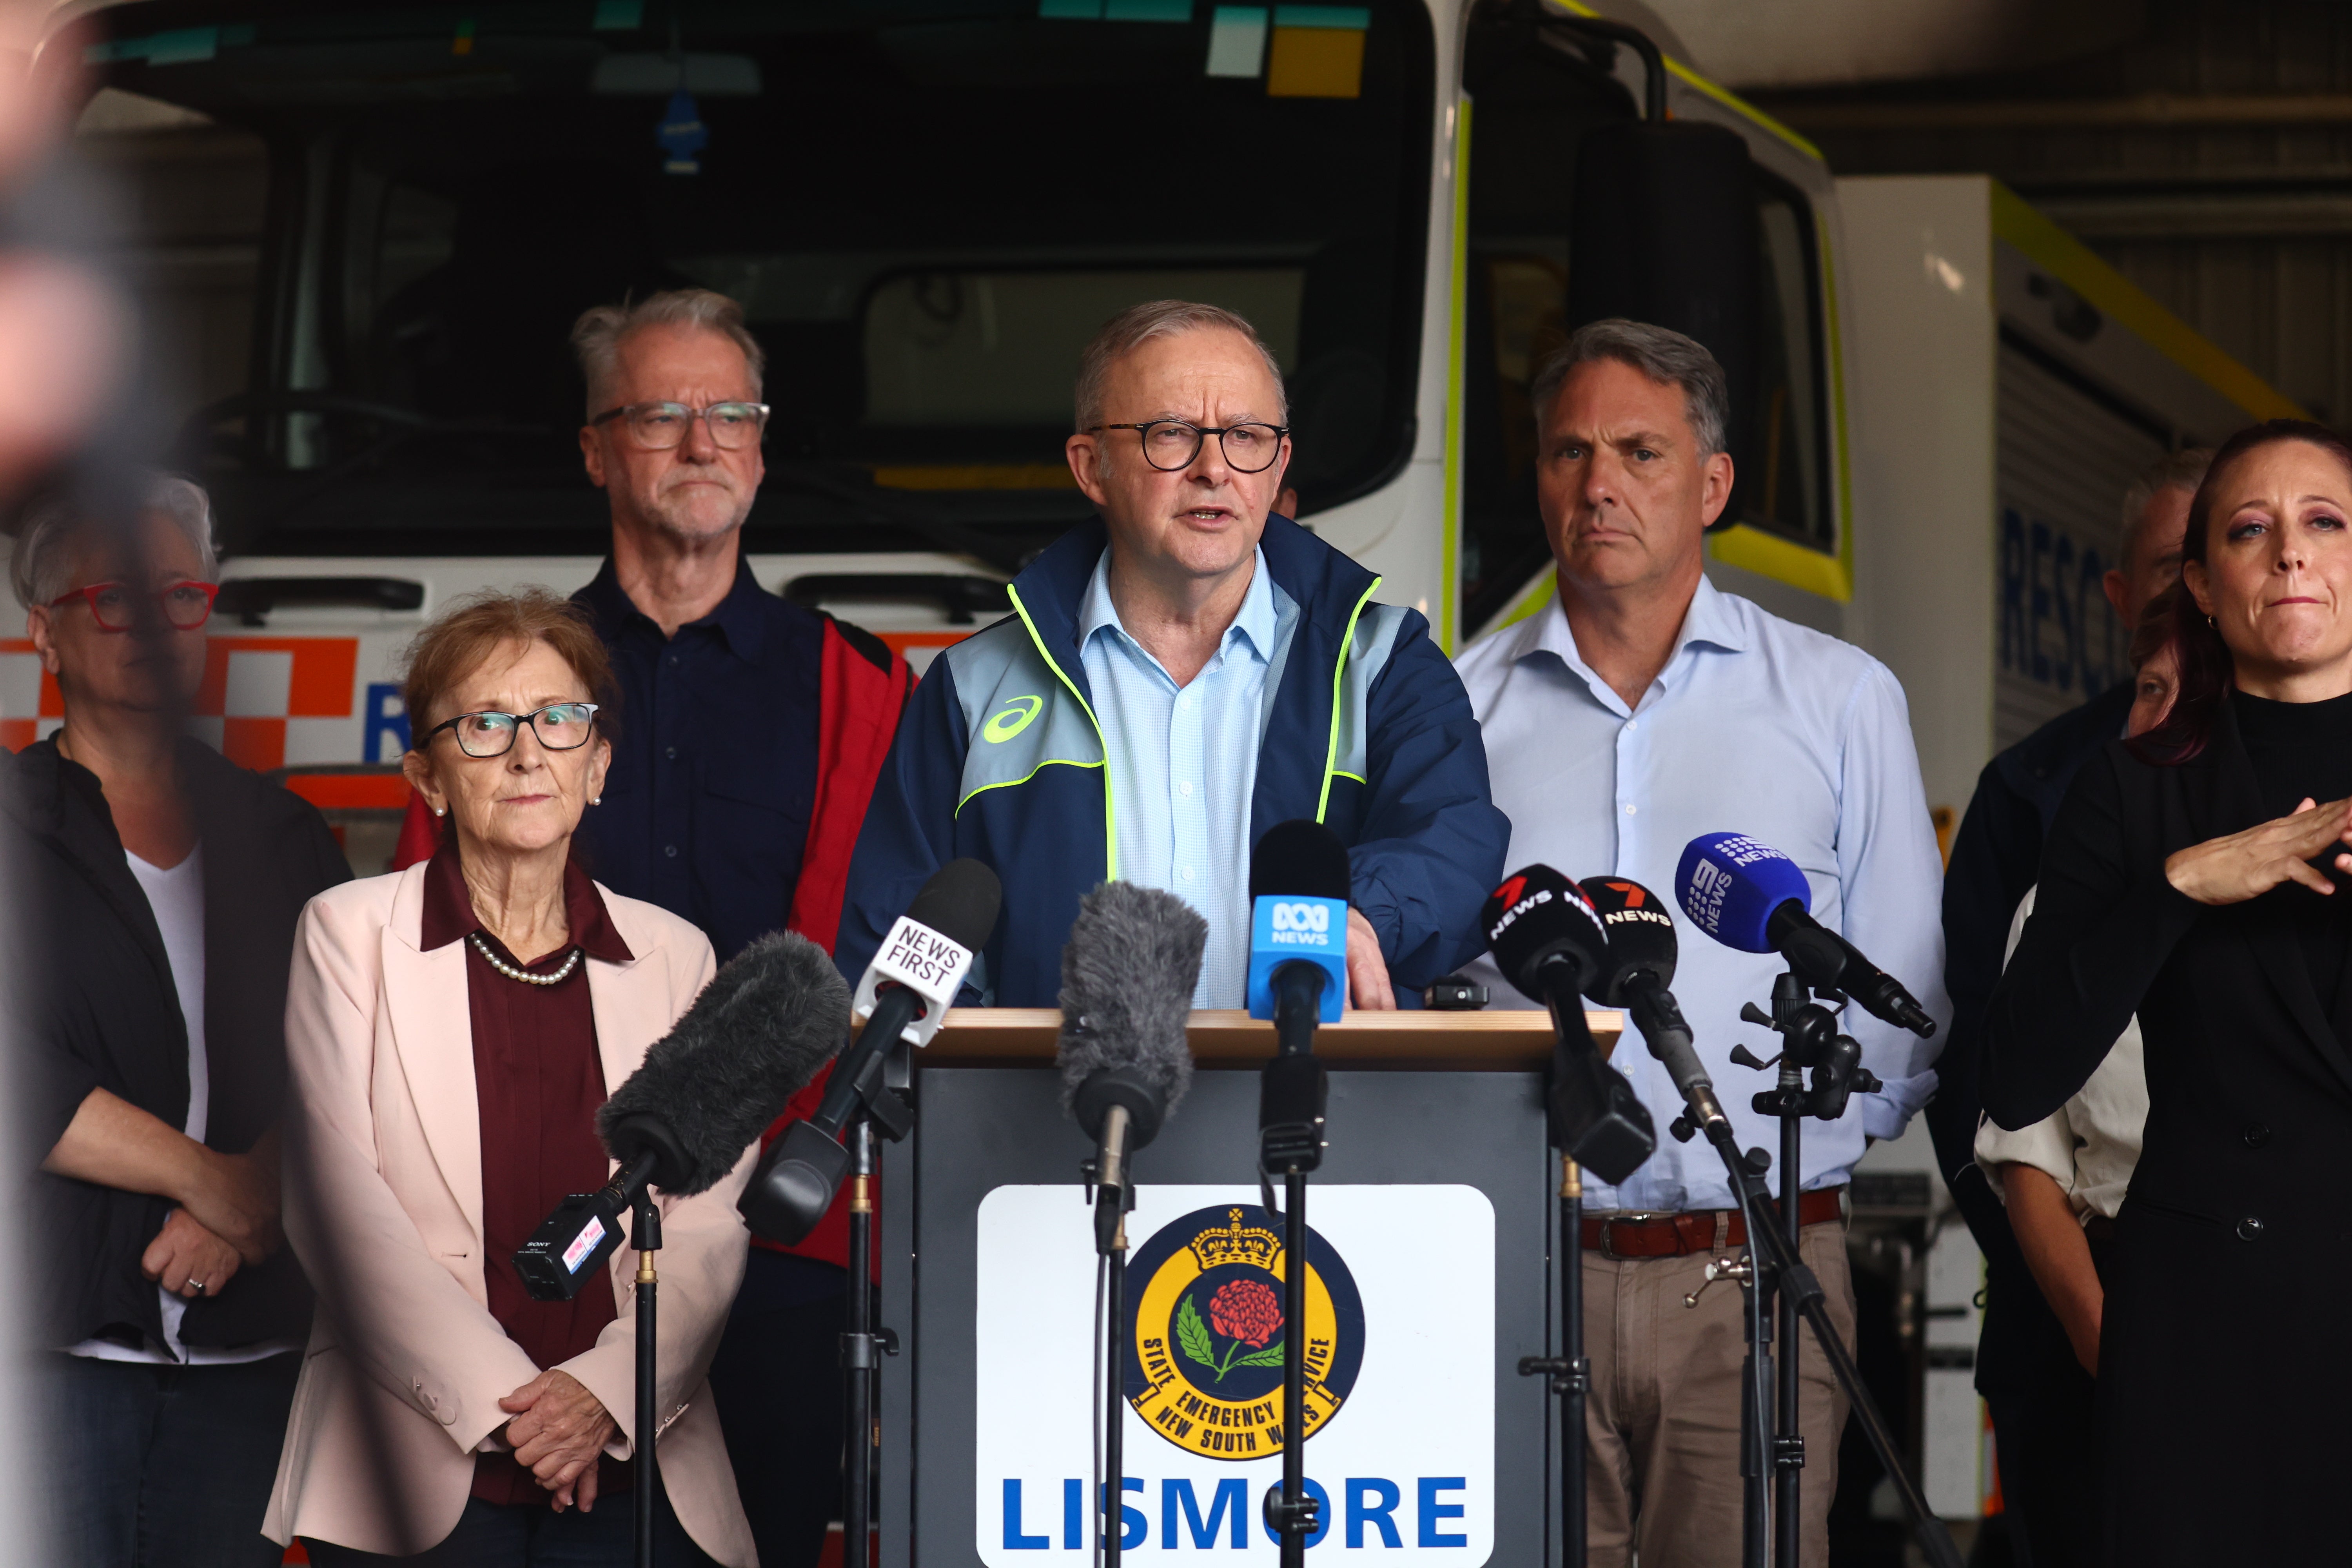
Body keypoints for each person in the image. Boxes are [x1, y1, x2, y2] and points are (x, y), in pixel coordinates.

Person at [390, 289, 910, 1568]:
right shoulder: (498, 687)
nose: (701, 441)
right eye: (661, 413)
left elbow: (897, 957)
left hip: (787, 1235)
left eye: (731, 413)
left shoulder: (863, 684)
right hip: (549, 1230)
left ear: (764, 448)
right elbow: (423, 966)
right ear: (593, 449)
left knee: (774, 1543)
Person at [1452, 318, 1948, 1568]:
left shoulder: (1839, 700)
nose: (1599, 485)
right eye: (1569, 454)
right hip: (1517, 1268)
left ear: (1713, 484)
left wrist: (1767, 1185)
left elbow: (1902, 1004)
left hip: (1753, 1277)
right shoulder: (1458, 707)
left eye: (1638, 451)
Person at [265, 590, 755, 1568]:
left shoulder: (679, 956)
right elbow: (335, 1202)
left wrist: (600, 1399)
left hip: (632, 1455)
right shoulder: (346, 933)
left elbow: (708, 1224)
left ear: (599, 763)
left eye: (559, 719)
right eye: (484, 724)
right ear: (429, 778)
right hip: (407, 1453)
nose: (528, 752)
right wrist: (516, 1412)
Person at [837, 299, 1510, 1009]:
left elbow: (1455, 843)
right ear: (1091, 467)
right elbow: (900, 941)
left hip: (1312, 1104)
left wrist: (1363, 915)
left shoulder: (1382, 663)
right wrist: (988, 1103)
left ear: (1278, 466)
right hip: (1051, 1115)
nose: (1214, 469)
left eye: (1246, 437)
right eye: (1172, 434)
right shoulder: (974, 687)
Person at [1986, 419, 2352, 1565]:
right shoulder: (2130, 793)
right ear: (2200, 581)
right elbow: (2020, 1071)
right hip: (2206, 1332)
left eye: (2324, 522)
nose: (2289, 554)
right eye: (2251, 530)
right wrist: (2182, 887)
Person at [4, 475, 348, 1567]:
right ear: (45, 629)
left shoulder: (284, 834)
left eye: (183, 595)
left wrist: (256, 1202)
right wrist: (213, 1181)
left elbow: (351, 1057)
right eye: (115, 597)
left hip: (250, 1359)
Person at [1931, 445, 2206, 1564]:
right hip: (2078, 1312)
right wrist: (2090, 1324)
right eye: (2146, 686)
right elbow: (1995, 1103)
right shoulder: (2035, 804)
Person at [1969, 590, 2176, 1567]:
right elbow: (2025, 1152)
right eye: (2146, 687)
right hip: (2109, 1298)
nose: (2159, 714)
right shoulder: (2057, 904)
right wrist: (2103, 1336)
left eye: (2191, 692)